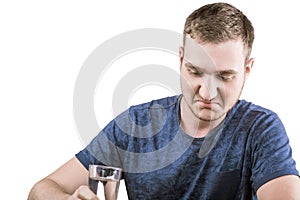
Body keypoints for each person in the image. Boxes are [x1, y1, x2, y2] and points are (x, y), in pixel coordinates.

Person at [28, 2, 300, 200]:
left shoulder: (260, 129)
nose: (206, 93)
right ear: (181, 60)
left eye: (225, 77)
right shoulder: (136, 124)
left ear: (247, 70)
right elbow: (42, 189)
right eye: (195, 72)